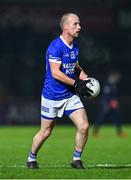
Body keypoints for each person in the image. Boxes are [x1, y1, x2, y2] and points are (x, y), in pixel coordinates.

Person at [26, 13, 93, 169]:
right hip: (52, 95)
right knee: (46, 132)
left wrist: (86, 79)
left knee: (83, 126)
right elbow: (56, 73)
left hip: (69, 95)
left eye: (79, 24)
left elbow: (75, 68)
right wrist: (77, 84)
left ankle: (76, 159)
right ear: (65, 27)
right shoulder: (55, 46)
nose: (79, 27)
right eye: (76, 24)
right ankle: (31, 159)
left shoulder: (75, 46)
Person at [93, 70, 126, 137]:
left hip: (112, 104)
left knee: (117, 118)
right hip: (106, 104)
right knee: (101, 118)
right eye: (117, 77)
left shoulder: (113, 83)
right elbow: (106, 95)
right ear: (113, 76)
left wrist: (114, 102)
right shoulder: (108, 83)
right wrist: (110, 102)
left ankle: (119, 132)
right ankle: (95, 132)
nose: (118, 78)